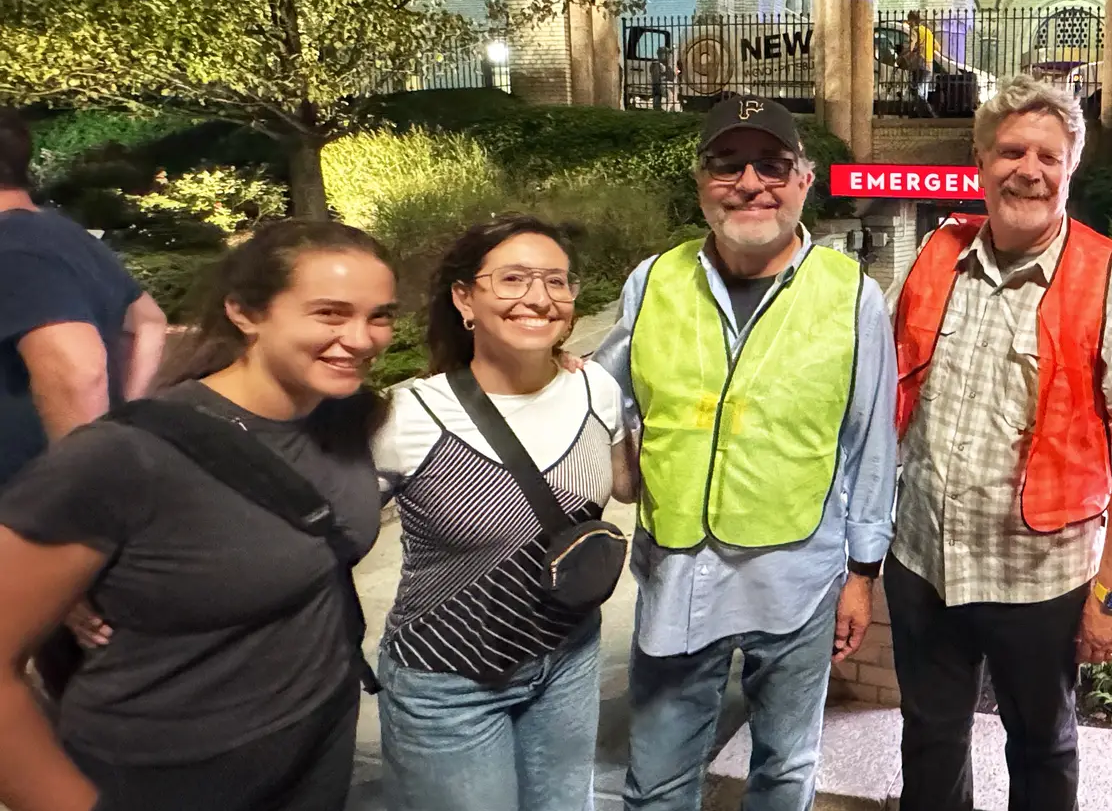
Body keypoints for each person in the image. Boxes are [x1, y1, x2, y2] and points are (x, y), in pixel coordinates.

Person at [0, 219, 397, 811]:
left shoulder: (344, 417)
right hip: (165, 776)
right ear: (245, 313)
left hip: (314, 752)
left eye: (380, 315)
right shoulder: (126, 455)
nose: (362, 338)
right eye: (330, 313)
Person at [594, 96, 896, 811]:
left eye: (772, 164)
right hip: (677, 578)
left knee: (785, 772)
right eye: (728, 165)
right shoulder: (653, 281)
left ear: (804, 179)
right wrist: (618, 459)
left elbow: (870, 444)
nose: (751, 182)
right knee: (657, 782)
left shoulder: (852, 295)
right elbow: (600, 399)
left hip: (799, 578)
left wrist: (862, 573)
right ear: (700, 181)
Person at [889, 74, 1112, 811]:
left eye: (1049, 156)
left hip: (1037, 581)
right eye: (1011, 150)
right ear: (980, 160)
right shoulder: (933, 257)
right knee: (928, 737)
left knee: (1043, 747)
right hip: (925, 563)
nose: (1030, 170)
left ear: (1070, 168)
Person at [371, 215, 634, 811]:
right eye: (513, 279)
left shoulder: (596, 387)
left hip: (567, 657)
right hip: (447, 679)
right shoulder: (409, 413)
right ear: (465, 298)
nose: (540, 298)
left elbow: (627, 484)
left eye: (557, 282)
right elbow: (329, 537)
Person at [0, 109, 168, 688]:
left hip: (50, 529)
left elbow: (77, 370)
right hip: (78, 518)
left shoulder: (9, 250)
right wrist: (122, 421)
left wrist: (70, 545)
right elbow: (148, 324)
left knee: (90, 719)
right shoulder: (56, 231)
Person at [900, 11, 938, 118]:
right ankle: (920, 113)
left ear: (912, 20)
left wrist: (902, 56)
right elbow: (937, 47)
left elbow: (910, 46)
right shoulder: (928, 32)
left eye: (909, 20)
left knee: (917, 90)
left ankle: (928, 113)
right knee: (923, 89)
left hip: (919, 63)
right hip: (929, 63)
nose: (908, 23)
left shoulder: (915, 30)